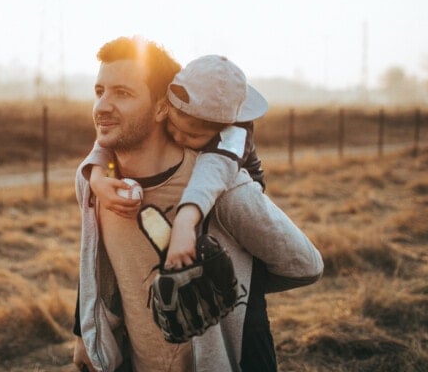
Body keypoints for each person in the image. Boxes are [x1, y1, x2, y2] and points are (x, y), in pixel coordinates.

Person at [73, 36, 323, 372]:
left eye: (123, 93)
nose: (102, 106)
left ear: (163, 106)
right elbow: (96, 265)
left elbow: (306, 266)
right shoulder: (96, 183)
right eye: (99, 90)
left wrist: (229, 289)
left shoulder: (224, 189)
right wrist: (84, 337)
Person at [87, 54, 268, 271]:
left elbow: (212, 172)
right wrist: (96, 176)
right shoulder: (183, 103)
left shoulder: (233, 136)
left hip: (236, 199)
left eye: (191, 136)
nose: (179, 139)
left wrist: (185, 222)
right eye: (173, 127)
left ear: (220, 130)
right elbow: (116, 131)